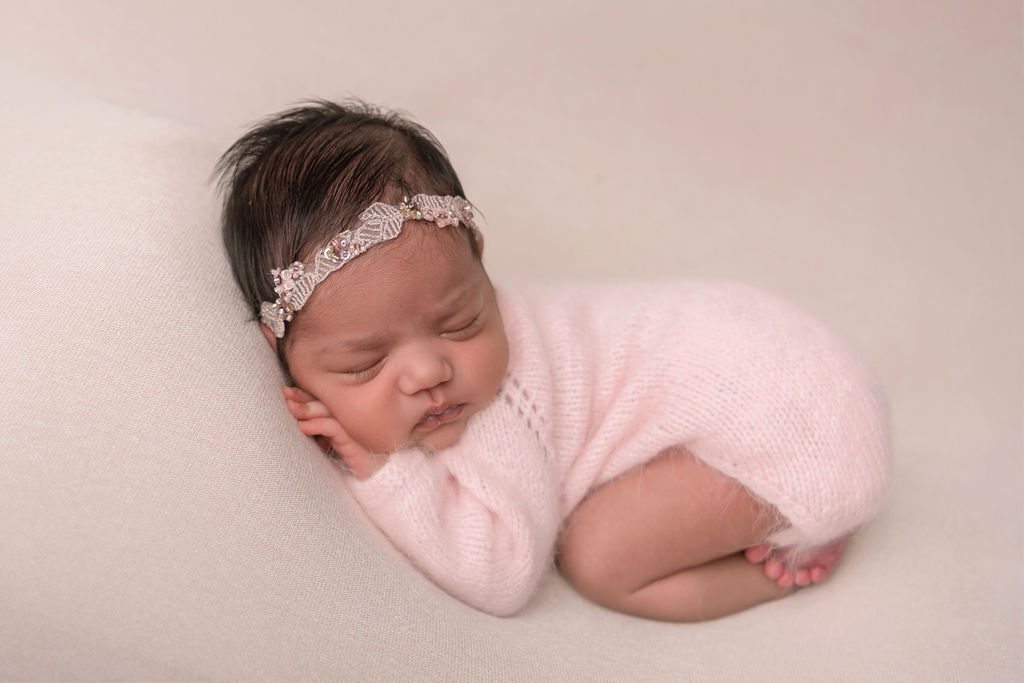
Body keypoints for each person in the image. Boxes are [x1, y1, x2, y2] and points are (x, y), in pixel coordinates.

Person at [216, 100, 891, 621]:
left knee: (599, 557)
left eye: (461, 321)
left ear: (479, 262)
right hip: (788, 364)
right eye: (365, 363)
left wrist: (385, 470)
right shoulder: (440, 342)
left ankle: (790, 559)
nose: (428, 373)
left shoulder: (501, 403)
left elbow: (505, 575)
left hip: (799, 430)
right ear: (283, 354)